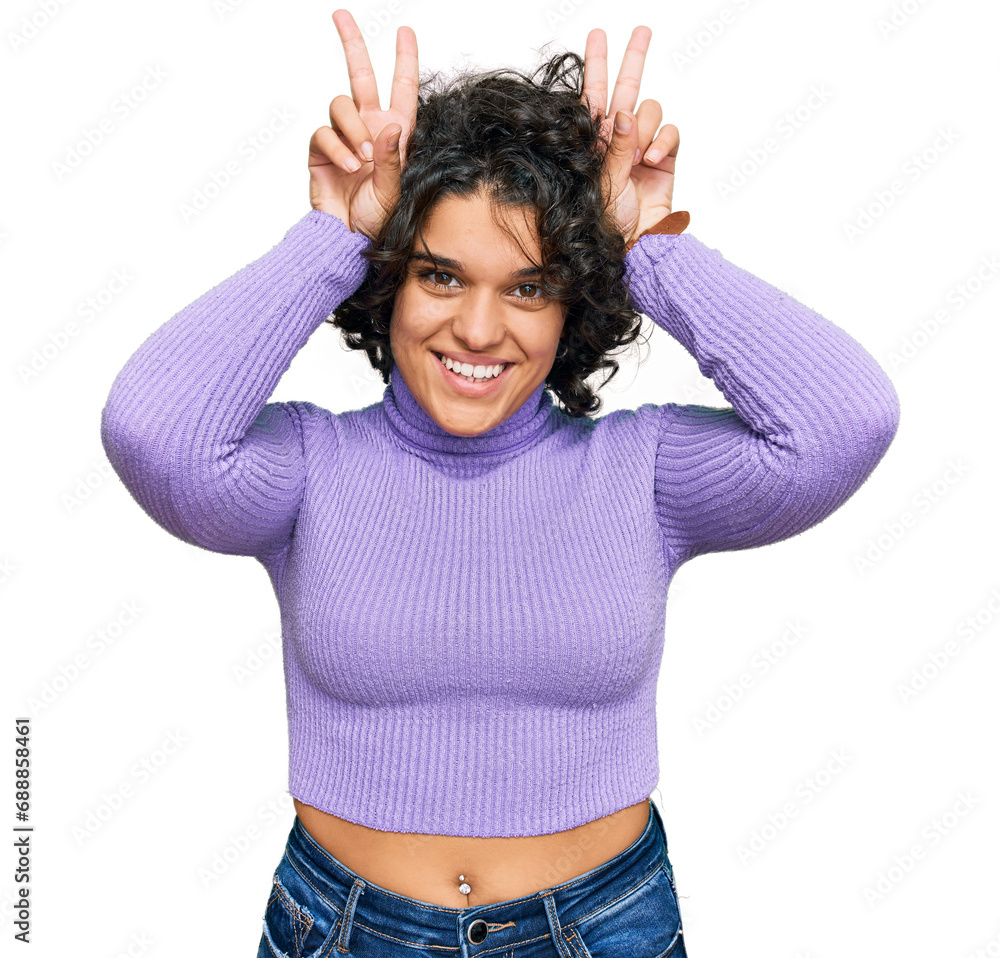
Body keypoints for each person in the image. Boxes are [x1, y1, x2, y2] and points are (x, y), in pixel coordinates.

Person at [99, 9, 901, 957]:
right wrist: (330, 240)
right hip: (348, 932)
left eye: (528, 286)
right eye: (440, 276)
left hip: (602, 929)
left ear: (573, 303)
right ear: (389, 282)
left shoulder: (642, 472)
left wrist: (646, 244)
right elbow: (152, 431)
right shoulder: (308, 470)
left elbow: (844, 419)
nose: (479, 330)